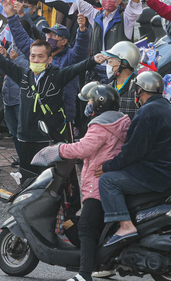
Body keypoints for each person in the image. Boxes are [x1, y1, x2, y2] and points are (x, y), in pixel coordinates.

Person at [0, 33, 106, 170]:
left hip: (47, 139)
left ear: (49, 59)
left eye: (40, 56)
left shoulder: (57, 76)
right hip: (25, 137)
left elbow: (76, 68)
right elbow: (1, 61)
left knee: (47, 180)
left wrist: (94, 60)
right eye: (33, 56)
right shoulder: (23, 75)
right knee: (27, 178)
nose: (35, 60)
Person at [97, 71, 171, 245]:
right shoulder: (169, 108)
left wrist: (108, 166)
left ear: (141, 90)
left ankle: (125, 226)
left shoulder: (147, 113)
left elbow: (133, 151)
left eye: (136, 90)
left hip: (158, 174)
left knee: (108, 181)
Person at [52, 85, 131, 281]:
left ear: (99, 104)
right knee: (100, 229)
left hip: (96, 185)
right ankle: (103, 264)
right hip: (110, 180)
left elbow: (83, 149)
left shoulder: (100, 126)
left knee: (86, 228)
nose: (88, 105)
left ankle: (84, 274)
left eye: (90, 101)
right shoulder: (120, 121)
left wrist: (59, 150)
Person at [102, 40, 141, 118]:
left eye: (110, 61)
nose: (108, 65)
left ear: (124, 63)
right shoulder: (109, 88)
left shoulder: (139, 87)